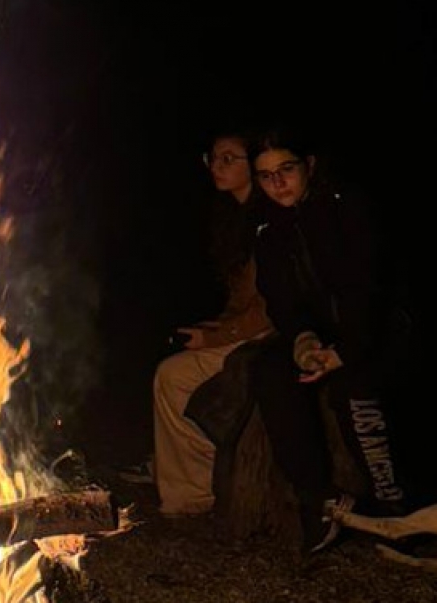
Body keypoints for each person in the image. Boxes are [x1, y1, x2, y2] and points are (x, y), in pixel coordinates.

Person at [245, 128, 416, 553]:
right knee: (269, 369)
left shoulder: (347, 207)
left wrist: (343, 352)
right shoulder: (269, 230)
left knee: (354, 384)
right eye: (266, 176)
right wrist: (303, 341)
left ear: (310, 166)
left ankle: (397, 508)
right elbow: (281, 300)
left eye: (286, 169)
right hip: (321, 337)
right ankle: (318, 499)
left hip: (377, 329)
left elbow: (369, 288)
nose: (277, 183)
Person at [130, 128, 276, 518]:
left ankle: (195, 489)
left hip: (272, 336)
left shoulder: (271, 218)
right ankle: (187, 481)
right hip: (247, 328)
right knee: (172, 368)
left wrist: (217, 336)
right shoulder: (234, 217)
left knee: (173, 376)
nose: (218, 165)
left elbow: (272, 305)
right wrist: (214, 326)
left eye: (230, 158)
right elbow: (242, 298)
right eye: (213, 157)